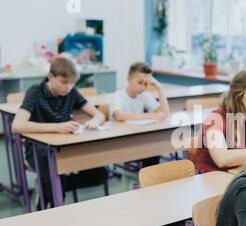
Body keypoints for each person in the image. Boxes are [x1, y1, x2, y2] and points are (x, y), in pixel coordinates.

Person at [12, 57, 106, 209]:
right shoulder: (35, 92)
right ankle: (50, 195)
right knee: (53, 185)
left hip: (65, 147)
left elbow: (99, 115)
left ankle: (53, 186)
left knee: (100, 174)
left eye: (72, 82)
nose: (68, 87)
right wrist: (57, 127)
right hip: (38, 150)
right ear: (51, 77)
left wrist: (93, 122)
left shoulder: (71, 92)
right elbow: (17, 125)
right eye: (64, 82)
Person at [195, 70, 246, 173]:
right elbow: (222, 159)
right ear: (238, 94)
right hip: (212, 178)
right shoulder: (215, 119)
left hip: (236, 173)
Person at [111, 62, 170, 167]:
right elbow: (120, 116)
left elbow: (165, 113)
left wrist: (159, 87)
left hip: (137, 138)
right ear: (129, 79)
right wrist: (151, 116)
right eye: (140, 82)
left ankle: (150, 179)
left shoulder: (144, 96)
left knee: (154, 148)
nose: (143, 87)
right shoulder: (118, 95)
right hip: (120, 141)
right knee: (150, 147)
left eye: (146, 84)